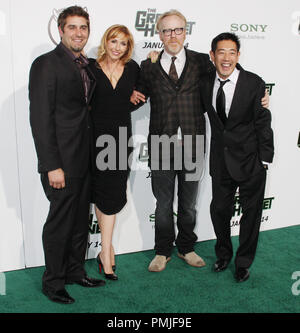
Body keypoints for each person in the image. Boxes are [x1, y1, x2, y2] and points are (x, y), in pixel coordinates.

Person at [29, 6, 105, 304]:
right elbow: (40, 119)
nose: (78, 32)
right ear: (60, 30)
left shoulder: (86, 64)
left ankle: (75, 271)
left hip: (84, 158)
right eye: (72, 27)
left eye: (83, 27)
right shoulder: (46, 64)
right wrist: (52, 165)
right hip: (61, 162)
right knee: (61, 222)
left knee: (78, 221)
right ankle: (53, 282)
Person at [132, 10, 216, 272]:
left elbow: (229, 73)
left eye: (177, 29)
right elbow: (136, 95)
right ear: (159, 34)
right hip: (161, 145)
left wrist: (260, 93)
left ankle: (186, 248)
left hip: (193, 145)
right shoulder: (148, 66)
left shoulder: (203, 61)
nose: (172, 35)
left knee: (189, 204)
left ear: (185, 31)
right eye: (167, 30)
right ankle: (162, 251)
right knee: (164, 204)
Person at [199, 32, 274, 282]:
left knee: (251, 214)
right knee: (219, 209)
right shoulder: (205, 80)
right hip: (220, 161)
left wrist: (265, 158)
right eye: (221, 52)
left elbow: (263, 122)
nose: (226, 58)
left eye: (232, 52)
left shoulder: (254, 83)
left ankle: (243, 263)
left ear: (238, 56)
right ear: (212, 56)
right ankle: (223, 255)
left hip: (251, 160)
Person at [89, 25, 140, 280]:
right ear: (106, 42)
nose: (117, 47)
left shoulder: (133, 69)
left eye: (123, 43)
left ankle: (105, 252)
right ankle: (106, 251)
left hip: (119, 139)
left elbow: (143, 95)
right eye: (114, 41)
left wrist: (130, 97)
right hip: (92, 138)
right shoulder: (90, 66)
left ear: (128, 47)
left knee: (110, 195)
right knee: (100, 192)